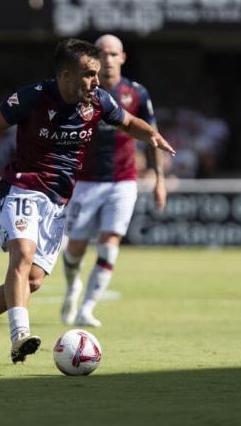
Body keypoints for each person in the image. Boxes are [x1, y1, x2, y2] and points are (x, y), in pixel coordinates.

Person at [0, 38, 175, 364]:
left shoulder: (99, 102)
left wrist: (152, 136)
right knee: (22, 256)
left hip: (58, 200)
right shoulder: (32, 97)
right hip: (22, 186)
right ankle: (20, 336)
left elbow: (130, 123)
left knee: (31, 281)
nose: (96, 79)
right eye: (88, 73)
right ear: (65, 74)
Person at [60, 34, 167, 327]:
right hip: (85, 181)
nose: (107, 60)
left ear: (122, 57)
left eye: (113, 54)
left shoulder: (136, 93)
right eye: (102, 54)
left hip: (123, 181)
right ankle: (72, 287)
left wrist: (159, 180)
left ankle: (87, 309)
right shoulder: (80, 91)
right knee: (76, 248)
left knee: (109, 243)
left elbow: (150, 137)